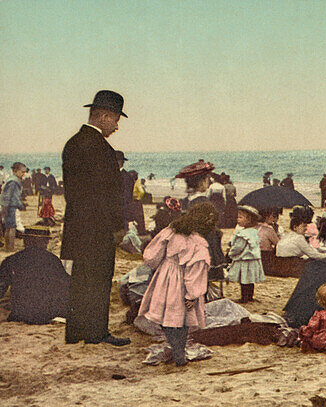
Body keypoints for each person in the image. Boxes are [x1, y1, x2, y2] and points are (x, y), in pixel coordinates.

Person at [61, 90, 130, 346]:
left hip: (78, 224)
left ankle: (77, 331)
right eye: (116, 120)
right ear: (103, 116)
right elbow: (107, 194)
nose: (116, 126)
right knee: (99, 280)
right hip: (97, 226)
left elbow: (75, 192)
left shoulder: (74, 142)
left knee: (81, 280)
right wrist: (116, 226)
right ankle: (96, 333)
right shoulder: (98, 147)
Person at [138, 203, 216, 366]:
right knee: (183, 319)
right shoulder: (199, 243)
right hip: (182, 282)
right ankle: (179, 350)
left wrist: (162, 266)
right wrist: (192, 294)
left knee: (165, 315)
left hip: (164, 278)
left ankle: (175, 347)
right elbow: (195, 271)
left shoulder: (170, 231)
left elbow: (152, 256)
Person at [0, 231, 70, 324]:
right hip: (48, 313)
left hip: (20, 313)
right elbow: (66, 286)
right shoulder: (53, 260)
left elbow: (1, 288)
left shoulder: (11, 260)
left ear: (26, 241)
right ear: (43, 242)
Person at [226, 205, 265, 304]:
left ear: (248, 220)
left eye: (240, 217)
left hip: (244, 259)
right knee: (250, 279)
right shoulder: (254, 232)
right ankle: (250, 296)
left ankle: (244, 298)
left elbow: (238, 247)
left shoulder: (243, 234)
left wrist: (231, 253)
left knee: (244, 280)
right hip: (253, 259)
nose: (237, 219)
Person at [1, 162, 27, 251]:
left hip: (9, 206)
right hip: (10, 207)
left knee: (9, 227)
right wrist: (5, 209)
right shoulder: (13, 181)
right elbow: (7, 196)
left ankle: (8, 247)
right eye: (22, 171)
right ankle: (10, 248)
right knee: (11, 228)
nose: (24, 174)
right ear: (15, 171)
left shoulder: (12, 180)